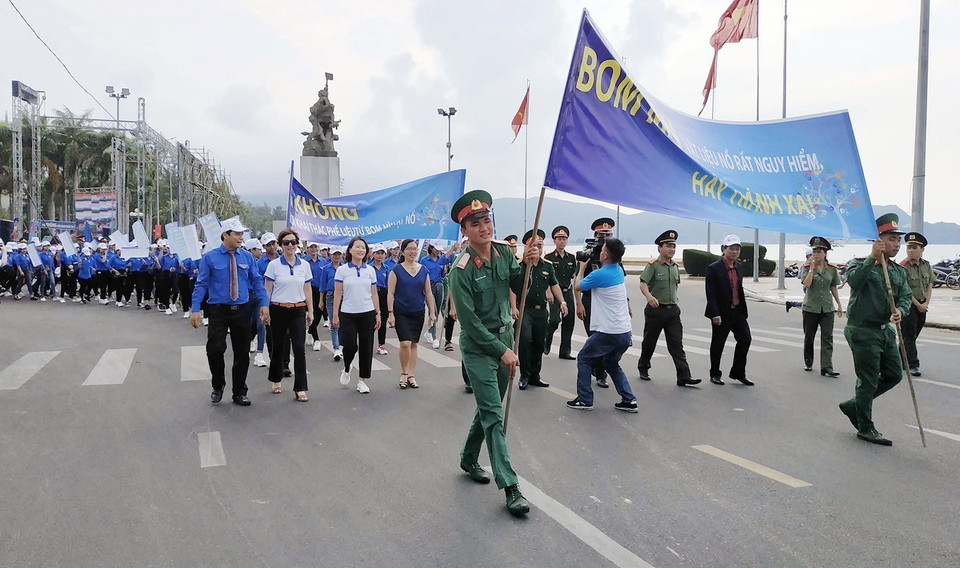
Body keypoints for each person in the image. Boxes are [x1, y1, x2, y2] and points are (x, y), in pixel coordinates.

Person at [449, 190, 535, 517]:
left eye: (487, 220)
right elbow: (469, 324)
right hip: (481, 350)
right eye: (475, 223)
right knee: (495, 417)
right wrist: (503, 352)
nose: (484, 227)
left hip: (504, 342)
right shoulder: (461, 269)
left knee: (489, 409)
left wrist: (529, 263)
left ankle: (468, 458)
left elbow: (520, 285)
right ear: (464, 230)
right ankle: (511, 486)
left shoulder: (502, 253)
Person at [838, 214, 912, 446]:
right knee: (868, 380)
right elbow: (855, 281)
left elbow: (906, 296)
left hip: (885, 330)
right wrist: (872, 258)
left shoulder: (898, 272)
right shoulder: (860, 263)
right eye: (892, 239)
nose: (897, 245)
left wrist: (900, 310)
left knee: (894, 374)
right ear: (878, 240)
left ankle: (854, 404)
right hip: (862, 330)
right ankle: (865, 426)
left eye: (898, 241)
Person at [190, 218, 269, 406]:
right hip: (218, 310)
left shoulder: (247, 257)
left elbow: (257, 281)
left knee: (242, 352)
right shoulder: (210, 258)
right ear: (225, 235)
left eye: (242, 233)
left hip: (242, 309)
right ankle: (218, 386)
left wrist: (264, 304)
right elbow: (201, 284)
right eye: (237, 234)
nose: (241, 237)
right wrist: (195, 309)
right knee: (215, 349)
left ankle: (239, 391)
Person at [566, 237, 639, 413]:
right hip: (624, 331)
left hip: (608, 331)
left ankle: (585, 400)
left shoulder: (599, 274)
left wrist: (582, 268)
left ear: (605, 254)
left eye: (602, 249)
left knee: (584, 358)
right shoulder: (618, 271)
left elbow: (578, 286)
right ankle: (629, 400)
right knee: (611, 362)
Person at [638, 230, 701, 387]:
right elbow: (643, 283)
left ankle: (684, 376)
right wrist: (649, 297)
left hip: (672, 311)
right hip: (656, 310)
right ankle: (643, 367)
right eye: (668, 246)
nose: (671, 249)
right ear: (660, 248)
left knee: (676, 344)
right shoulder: (653, 266)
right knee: (649, 342)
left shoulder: (675, 267)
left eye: (673, 246)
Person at [263, 229, 314, 401]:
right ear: (281, 245)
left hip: (298, 310)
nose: (290, 245)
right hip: (278, 309)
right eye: (286, 242)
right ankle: (276, 380)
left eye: (293, 242)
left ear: (297, 244)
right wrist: (266, 310)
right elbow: (267, 290)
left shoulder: (304, 266)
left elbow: (307, 289)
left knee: (299, 348)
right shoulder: (274, 265)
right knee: (278, 346)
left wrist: (311, 311)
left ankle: (300, 388)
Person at [575, 217, 625, 388]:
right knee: (594, 338)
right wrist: (579, 304)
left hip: (608, 303)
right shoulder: (588, 254)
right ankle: (599, 372)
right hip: (590, 299)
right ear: (595, 235)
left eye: (608, 234)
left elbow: (620, 285)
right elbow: (577, 282)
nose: (605, 237)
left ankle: (600, 371)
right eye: (602, 234)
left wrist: (627, 304)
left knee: (603, 339)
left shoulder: (613, 256)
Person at [517, 228, 565, 390]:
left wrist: (563, 302)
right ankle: (524, 375)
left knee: (539, 342)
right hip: (525, 309)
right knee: (525, 340)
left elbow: (554, 284)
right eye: (534, 245)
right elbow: (512, 287)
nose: (538, 248)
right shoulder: (520, 266)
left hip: (541, 310)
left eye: (540, 245)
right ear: (527, 246)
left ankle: (535, 375)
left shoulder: (547, 266)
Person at [704, 234, 754, 386]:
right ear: (723, 249)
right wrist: (715, 313)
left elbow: (738, 288)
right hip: (721, 312)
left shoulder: (739, 266)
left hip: (737, 311)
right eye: (731, 248)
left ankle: (738, 372)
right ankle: (715, 373)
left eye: (737, 249)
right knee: (718, 343)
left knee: (745, 339)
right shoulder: (714, 268)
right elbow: (710, 293)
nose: (734, 252)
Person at [387, 238, 436, 389]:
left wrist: (432, 313)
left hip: (418, 311)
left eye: (415, 249)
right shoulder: (396, 270)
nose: (413, 252)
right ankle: (403, 372)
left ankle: (411, 375)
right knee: (405, 343)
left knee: (414, 344)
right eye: (409, 249)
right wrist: (390, 313)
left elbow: (428, 293)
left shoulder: (423, 270)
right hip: (401, 311)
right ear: (403, 251)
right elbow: (390, 293)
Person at [333, 237, 380, 393]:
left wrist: (378, 313)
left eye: (363, 248)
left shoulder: (370, 270)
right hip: (347, 313)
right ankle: (347, 367)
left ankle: (362, 380)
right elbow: (338, 294)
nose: (361, 250)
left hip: (367, 313)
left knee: (367, 347)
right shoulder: (342, 270)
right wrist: (335, 315)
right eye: (358, 247)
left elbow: (374, 294)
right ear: (350, 250)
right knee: (350, 346)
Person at [800, 237, 844, 376]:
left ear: (825, 253)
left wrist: (839, 303)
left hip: (827, 308)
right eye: (814, 251)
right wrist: (812, 270)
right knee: (809, 337)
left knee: (827, 338)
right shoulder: (806, 268)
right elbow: (806, 284)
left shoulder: (831, 269)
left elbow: (833, 287)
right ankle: (808, 361)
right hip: (810, 308)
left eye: (819, 251)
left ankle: (827, 367)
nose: (816, 254)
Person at [900, 232, 933, 377]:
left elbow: (930, 284)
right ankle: (913, 365)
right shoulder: (902, 266)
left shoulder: (926, 265)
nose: (911, 251)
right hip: (908, 305)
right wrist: (917, 305)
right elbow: (905, 289)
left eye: (915, 248)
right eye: (909, 248)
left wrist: (925, 302)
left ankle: (899, 359)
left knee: (911, 335)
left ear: (922, 249)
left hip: (922, 304)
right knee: (909, 336)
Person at [543, 225, 578, 360]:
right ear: (554, 240)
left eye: (564, 238)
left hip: (567, 292)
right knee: (554, 320)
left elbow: (574, 277)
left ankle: (565, 351)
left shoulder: (571, 258)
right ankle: (548, 338)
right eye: (559, 238)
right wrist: (548, 292)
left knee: (569, 321)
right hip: (555, 293)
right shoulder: (549, 257)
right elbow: (546, 277)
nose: (562, 241)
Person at [421, 240, 455, 349]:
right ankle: (435, 337)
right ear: (431, 248)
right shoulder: (424, 260)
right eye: (436, 249)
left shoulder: (441, 259)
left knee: (439, 309)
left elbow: (448, 260)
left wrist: (454, 248)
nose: (438, 251)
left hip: (439, 285)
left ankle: (429, 331)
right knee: (433, 311)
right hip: (428, 287)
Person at [319, 246, 344, 361]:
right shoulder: (326, 269)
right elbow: (322, 286)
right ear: (330, 255)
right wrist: (321, 300)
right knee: (334, 322)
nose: (337, 256)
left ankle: (342, 345)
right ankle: (336, 348)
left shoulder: (345, 268)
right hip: (330, 296)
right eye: (334, 254)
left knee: (343, 321)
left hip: (344, 296)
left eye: (339, 254)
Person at [303, 242, 326, 352]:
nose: (313, 249)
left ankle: (310, 331)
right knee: (311, 313)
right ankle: (317, 339)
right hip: (308, 290)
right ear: (307, 249)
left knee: (319, 313)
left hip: (320, 290)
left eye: (315, 247)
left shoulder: (323, 261)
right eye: (311, 247)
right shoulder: (304, 261)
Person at [369, 243, 391, 355]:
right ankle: (368, 343)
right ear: (373, 254)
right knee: (371, 319)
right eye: (378, 253)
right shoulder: (368, 267)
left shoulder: (387, 269)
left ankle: (381, 345)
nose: (380, 256)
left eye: (382, 253)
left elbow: (389, 285)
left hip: (383, 293)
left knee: (383, 318)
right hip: (371, 294)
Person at [785, 248, 814, 312]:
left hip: (814, 286)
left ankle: (791, 304)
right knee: (810, 303)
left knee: (811, 302)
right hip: (807, 287)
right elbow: (799, 276)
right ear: (808, 256)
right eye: (811, 255)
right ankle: (792, 304)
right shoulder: (805, 265)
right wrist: (809, 275)